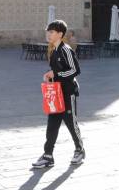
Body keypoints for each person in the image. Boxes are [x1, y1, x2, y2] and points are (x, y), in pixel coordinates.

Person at [32, 20, 85, 169]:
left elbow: (75, 70)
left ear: (60, 34)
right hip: (56, 94)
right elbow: (57, 72)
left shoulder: (66, 50)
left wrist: (56, 73)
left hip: (68, 93)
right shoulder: (53, 50)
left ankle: (79, 150)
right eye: (47, 32)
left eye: (52, 32)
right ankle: (48, 156)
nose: (48, 34)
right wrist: (50, 76)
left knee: (71, 123)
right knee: (52, 125)